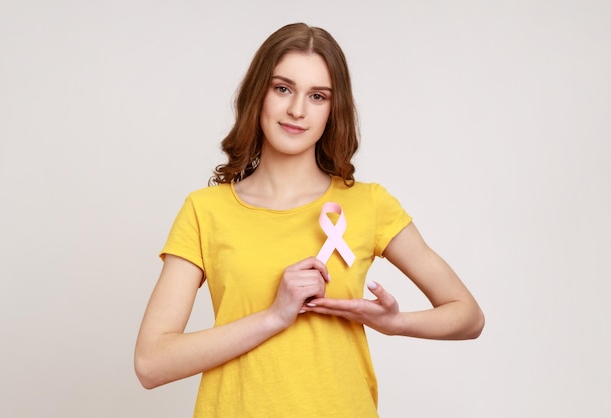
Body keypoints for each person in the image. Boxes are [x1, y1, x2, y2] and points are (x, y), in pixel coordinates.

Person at [134, 22, 484, 417]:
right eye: (282, 88)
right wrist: (273, 316)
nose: (297, 110)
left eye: (317, 96)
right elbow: (151, 363)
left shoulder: (368, 204)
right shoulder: (205, 210)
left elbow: (468, 316)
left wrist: (395, 322)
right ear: (258, 94)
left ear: (333, 110)